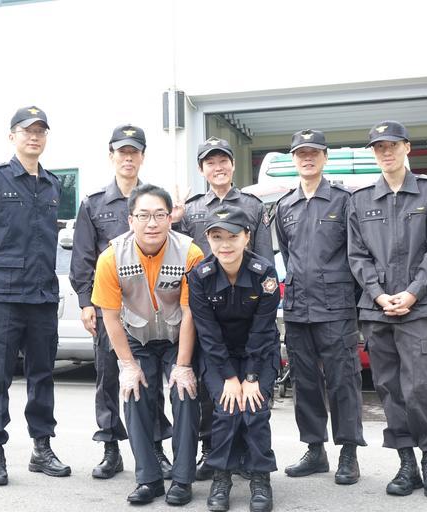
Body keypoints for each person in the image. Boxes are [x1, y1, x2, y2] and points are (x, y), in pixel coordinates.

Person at [0, 106, 70, 486]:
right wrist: (0, 273)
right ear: (12, 136)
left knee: (42, 376)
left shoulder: (53, 185)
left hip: (42, 296)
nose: (34, 137)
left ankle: (41, 448)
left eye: (41, 131)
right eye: (27, 130)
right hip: (3, 298)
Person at [347, 120, 427, 499]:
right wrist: (377, 294)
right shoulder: (360, 200)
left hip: (418, 308)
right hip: (377, 310)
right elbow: (357, 255)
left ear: (407, 147)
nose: (386, 152)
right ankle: (406, 463)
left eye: (392, 145)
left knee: (420, 387)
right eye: (379, 147)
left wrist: (412, 292)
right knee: (389, 388)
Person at [69, 124, 173, 480]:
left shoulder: (154, 200)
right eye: (122, 152)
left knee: (150, 379)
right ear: (111, 156)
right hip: (109, 307)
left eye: (134, 152)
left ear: (143, 156)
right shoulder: (94, 203)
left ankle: (156, 448)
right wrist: (86, 303)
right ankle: (111, 448)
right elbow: (83, 257)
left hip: (150, 308)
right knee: (109, 377)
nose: (128, 158)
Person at [91, 184, 204, 505]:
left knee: (185, 392)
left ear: (170, 218)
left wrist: (183, 365)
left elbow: (190, 312)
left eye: (159, 215)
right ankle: (148, 479)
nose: (151, 223)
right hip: (136, 338)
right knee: (134, 393)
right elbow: (110, 317)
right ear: (131, 220)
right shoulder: (111, 257)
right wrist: (127, 365)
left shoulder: (190, 253)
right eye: (143, 216)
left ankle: (182, 479)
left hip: (177, 336)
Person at [174, 136, 274, 481]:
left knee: (251, 392)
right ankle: (212, 451)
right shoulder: (191, 209)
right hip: (206, 306)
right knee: (211, 391)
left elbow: (263, 256)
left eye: (223, 161)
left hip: (246, 303)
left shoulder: (251, 205)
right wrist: (174, 220)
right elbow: (180, 252)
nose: (217, 167)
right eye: (210, 162)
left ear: (232, 165)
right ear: (201, 169)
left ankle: (245, 455)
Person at [274, 129, 366, 484]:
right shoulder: (285, 206)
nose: (307, 158)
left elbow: (357, 254)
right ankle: (315, 450)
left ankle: (348, 452)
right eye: (301, 153)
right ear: (294, 159)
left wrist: (354, 303)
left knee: (344, 381)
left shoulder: (344, 201)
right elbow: (288, 256)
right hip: (298, 308)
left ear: (325, 157)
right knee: (305, 382)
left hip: (337, 308)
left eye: (314, 152)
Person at [188, 205, 280, 512]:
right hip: (219, 356)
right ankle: (222, 477)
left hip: (259, 352)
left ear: (246, 237)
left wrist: (250, 377)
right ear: (208, 239)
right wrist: (230, 377)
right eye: (217, 237)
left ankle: (260, 477)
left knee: (255, 409)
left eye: (232, 236)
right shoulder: (200, 276)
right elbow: (208, 333)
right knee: (227, 410)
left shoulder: (264, 273)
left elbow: (263, 328)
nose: (225, 244)